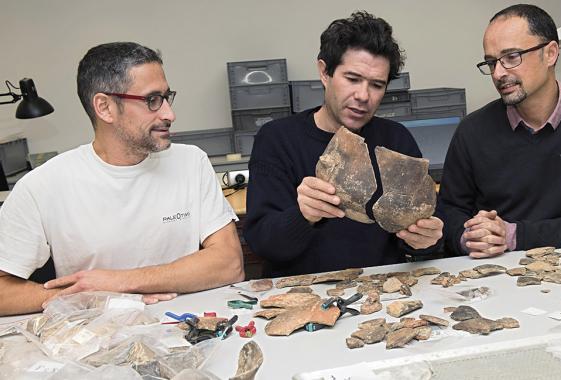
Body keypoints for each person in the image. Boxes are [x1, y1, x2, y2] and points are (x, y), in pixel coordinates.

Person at [0, 42, 244, 316]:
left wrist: (120, 282)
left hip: (190, 329)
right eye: (152, 100)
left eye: (167, 97)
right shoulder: (42, 186)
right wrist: (85, 296)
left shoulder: (191, 162)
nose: (169, 114)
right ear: (104, 108)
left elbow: (229, 263)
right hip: (100, 342)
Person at [244, 11, 443, 277]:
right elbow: (263, 244)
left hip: (382, 290)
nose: (363, 96)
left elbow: (423, 243)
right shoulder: (277, 139)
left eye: (376, 85)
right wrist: (303, 216)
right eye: (352, 79)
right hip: (308, 291)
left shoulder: (396, 139)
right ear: (325, 72)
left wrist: (426, 241)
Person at [438, 4, 561, 258]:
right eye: (491, 62)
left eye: (511, 57)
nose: (498, 73)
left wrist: (513, 235)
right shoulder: (472, 130)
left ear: (550, 53)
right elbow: (449, 212)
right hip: (494, 269)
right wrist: (470, 238)